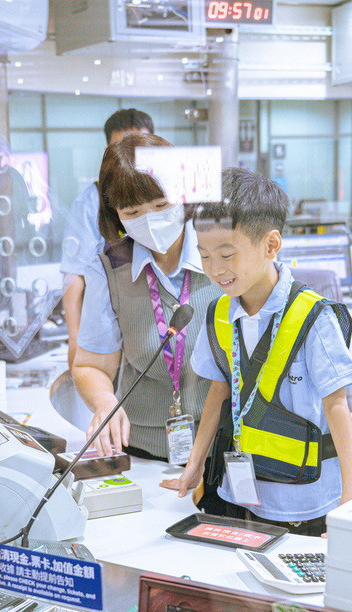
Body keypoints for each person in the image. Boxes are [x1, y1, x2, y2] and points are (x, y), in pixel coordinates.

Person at [161, 168, 352, 535]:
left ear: (271, 245)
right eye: (204, 256)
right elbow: (219, 392)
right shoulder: (219, 313)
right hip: (246, 493)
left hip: (309, 498)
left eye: (227, 254)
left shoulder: (314, 317)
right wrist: (194, 464)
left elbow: (337, 405)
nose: (215, 269)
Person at [72, 132, 222, 461]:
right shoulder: (109, 270)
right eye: (133, 212)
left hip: (224, 444)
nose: (151, 219)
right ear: (115, 213)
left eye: (161, 205)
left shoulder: (222, 253)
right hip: (143, 447)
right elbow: (90, 365)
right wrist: (104, 402)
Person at [60, 108, 155, 368]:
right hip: (114, 321)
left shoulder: (174, 196)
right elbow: (75, 275)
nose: (130, 157)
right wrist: (75, 339)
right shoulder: (92, 201)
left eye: (140, 148)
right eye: (121, 148)